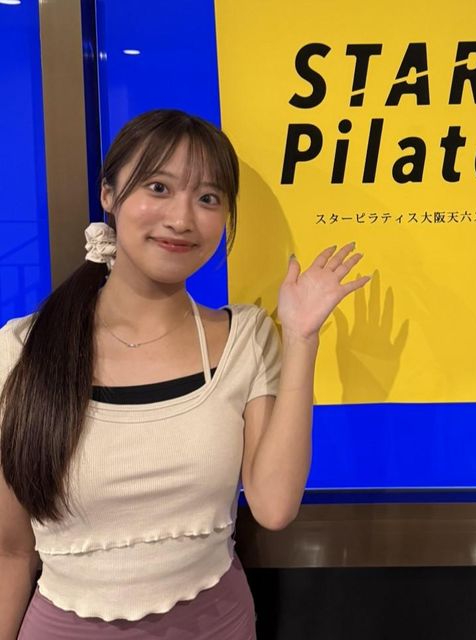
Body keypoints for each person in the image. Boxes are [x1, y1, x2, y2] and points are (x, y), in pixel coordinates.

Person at [0, 109, 370, 639]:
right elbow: (10, 552)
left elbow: (273, 506)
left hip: (216, 624)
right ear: (109, 194)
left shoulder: (245, 338)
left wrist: (301, 338)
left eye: (208, 198)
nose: (182, 218)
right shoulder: (20, 351)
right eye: (159, 187)